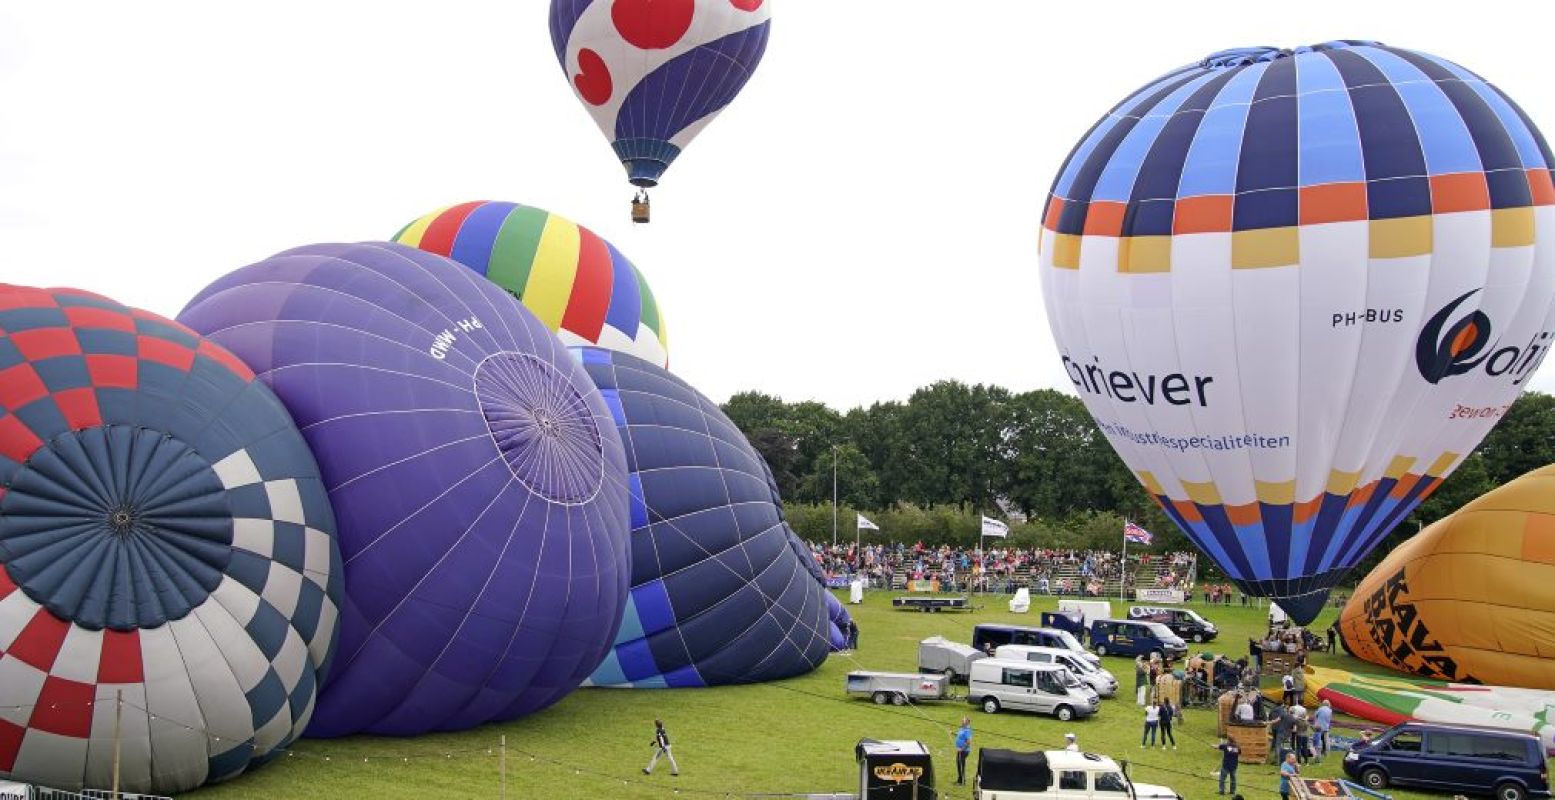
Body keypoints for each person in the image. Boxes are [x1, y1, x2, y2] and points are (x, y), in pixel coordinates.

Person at [954, 717, 972, 785]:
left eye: (963, 721)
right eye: (961, 721)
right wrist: (953, 733)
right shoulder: (962, 728)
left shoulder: (967, 731)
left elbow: (968, 742)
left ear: (967, 723)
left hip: (964, 751)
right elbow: (960, 735)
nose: (961, 722)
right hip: (960, 751)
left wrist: (962, 749)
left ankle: (962, 781)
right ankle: (959, 780)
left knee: (961, 766)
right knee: (959, 765)